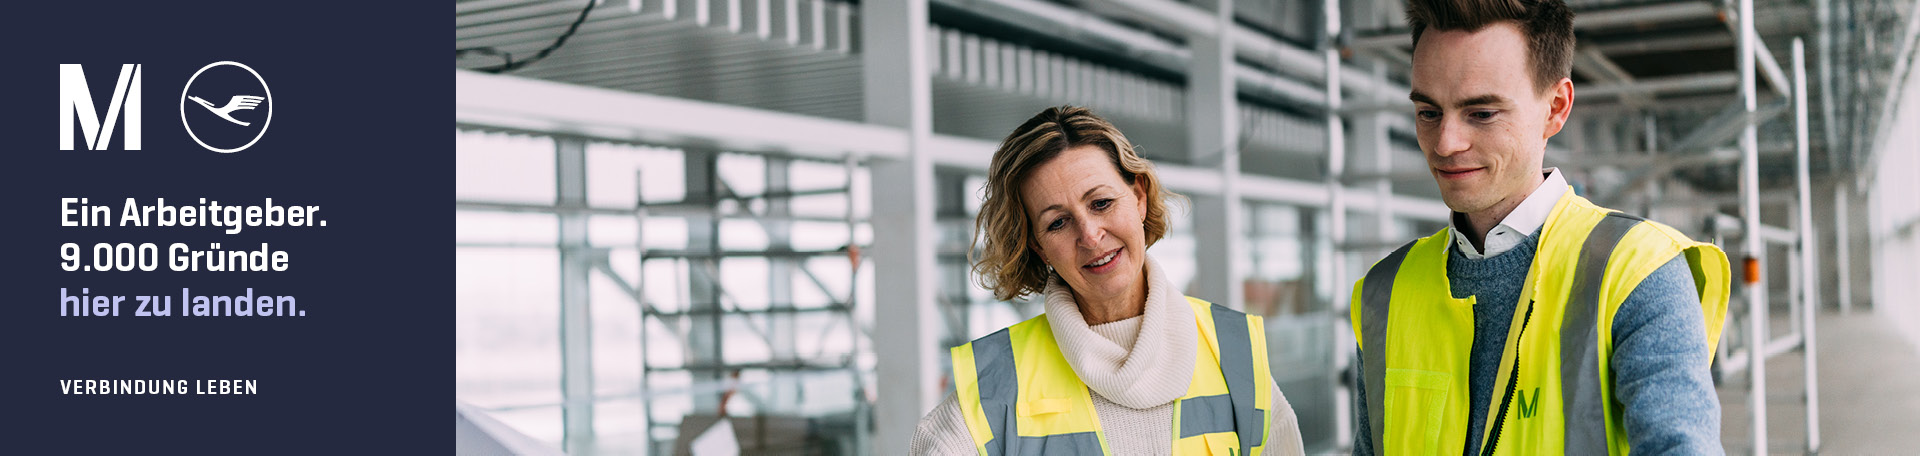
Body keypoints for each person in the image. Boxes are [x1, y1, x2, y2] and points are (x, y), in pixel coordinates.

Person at [1349, 0, 1733, 454]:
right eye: (1429, 112)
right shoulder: (1385, 293)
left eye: (1482, 113)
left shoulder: (1636, 274)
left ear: (1556, 107)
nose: (1446, 143)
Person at [910, 106, 1305, 455]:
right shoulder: (997, 389)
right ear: (1039, 247)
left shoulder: (1235, 357)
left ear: (1139, 197)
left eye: (1101, 203)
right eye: (1058, 222)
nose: (1090, 235)